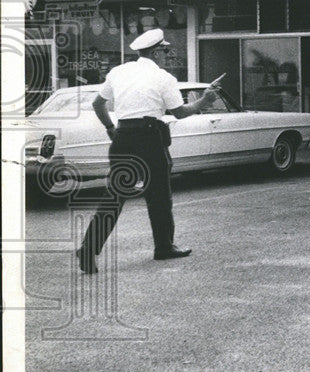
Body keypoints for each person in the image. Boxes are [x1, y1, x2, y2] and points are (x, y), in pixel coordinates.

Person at [76, 28, 219, 274]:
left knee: (115, 196)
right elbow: (180, 112)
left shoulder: (118, 72)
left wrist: (111, 128)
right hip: (150, 137)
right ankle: (163, 246)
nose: (167, 54)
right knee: (159, 195)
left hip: (123, 137)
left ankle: (89, 248)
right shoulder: (164, 78)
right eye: (164, 50)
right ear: (155, 52)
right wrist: (205, 100)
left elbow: (98, 103)